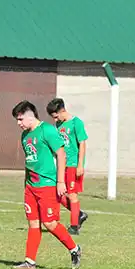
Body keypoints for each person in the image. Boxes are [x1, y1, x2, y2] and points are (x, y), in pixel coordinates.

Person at [10, 101, 82, 269]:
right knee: (33, 224)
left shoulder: (47, 130)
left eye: (20, 119)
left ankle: (75, 249)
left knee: (50, 224)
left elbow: (61, 154)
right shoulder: (25, 135)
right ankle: (30, 262)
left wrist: (60, 182)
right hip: (30, 187)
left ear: (30, 116)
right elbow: (30, 162)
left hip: (47, 185)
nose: (18, 123)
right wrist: (26, 185)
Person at [47, 99, 89, 234]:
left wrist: (80, 165)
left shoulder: (76, 122)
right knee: (58, 194)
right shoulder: (58, 124)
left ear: (62, 110)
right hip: (62, 164)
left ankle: (74, 226)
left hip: (72, 164)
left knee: (72, 194)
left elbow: (82, 144)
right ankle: (79, 214)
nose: (55, 119)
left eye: (55, 116)